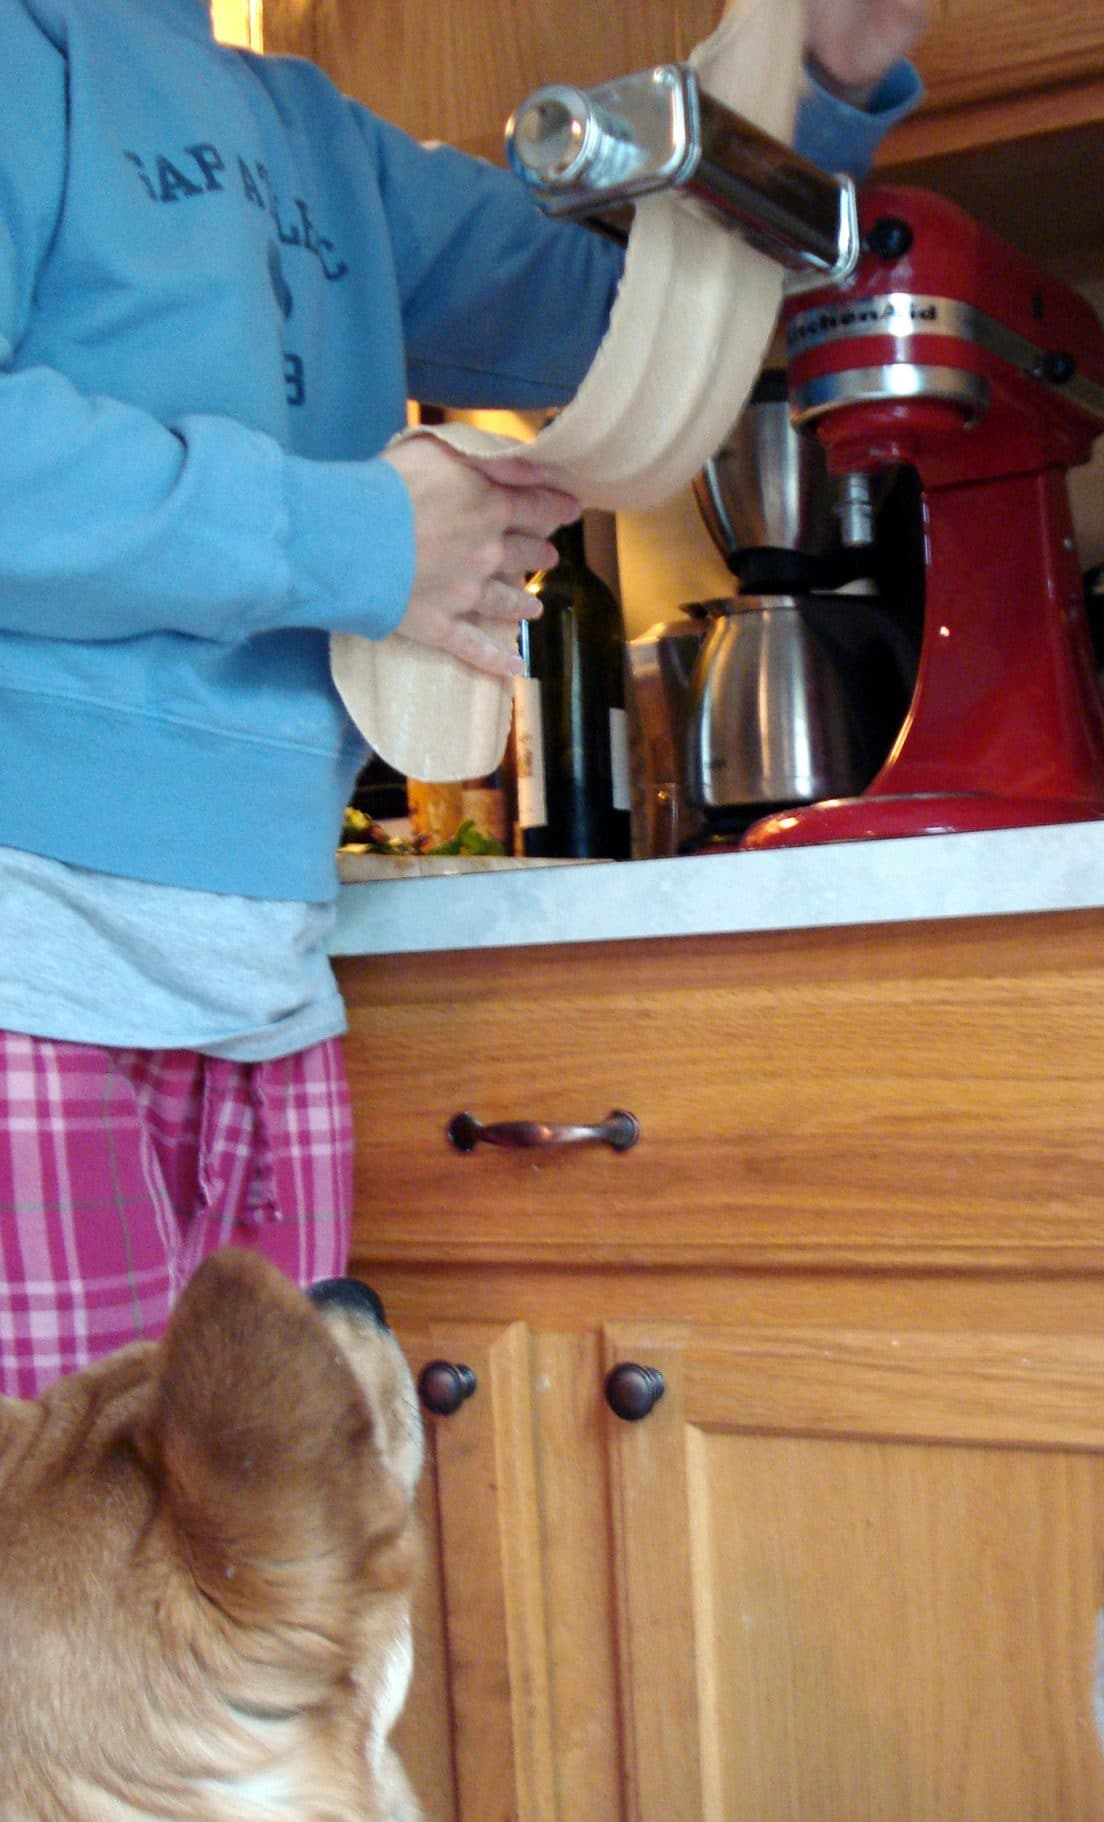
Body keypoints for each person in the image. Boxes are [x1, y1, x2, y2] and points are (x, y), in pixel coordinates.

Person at [0, 0, 927, 1395]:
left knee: (282, 1577)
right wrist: (365, 539)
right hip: (31, 965)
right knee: (62, 1595)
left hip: (265, 988)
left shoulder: (321, 138)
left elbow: (647, 328)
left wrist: (814, 79)